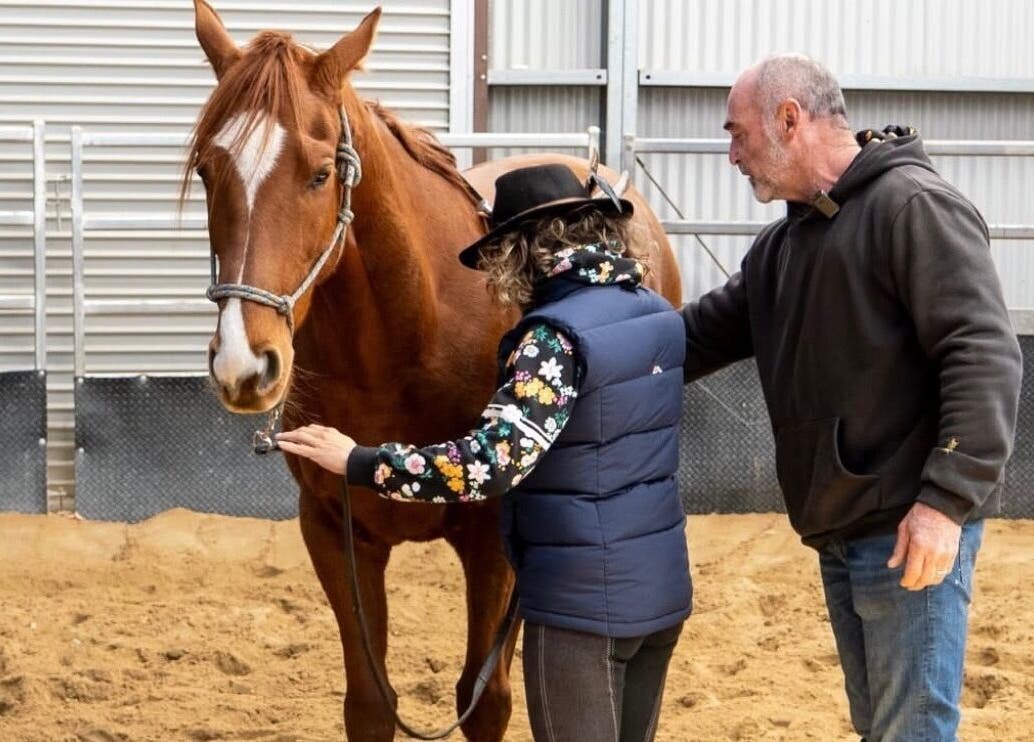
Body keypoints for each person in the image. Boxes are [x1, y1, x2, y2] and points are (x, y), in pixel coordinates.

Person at [278, 163, 692, 742]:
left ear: (522, 251)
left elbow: (489, 465)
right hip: (661, 595)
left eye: (498, 258)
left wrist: (360, 461)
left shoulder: (551, 340)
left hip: (579, 606)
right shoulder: (657, 317)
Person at [682, 54, 1022, 741]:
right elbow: (693, 336)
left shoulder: (913, 207)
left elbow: (983, 352)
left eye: (737, 134)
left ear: (788, 119)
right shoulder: (785, 244)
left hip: (906, 528)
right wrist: (580, 341)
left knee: (912, 729)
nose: (731, 155)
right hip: (843, 529)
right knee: (883, 726)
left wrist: (945, 502)